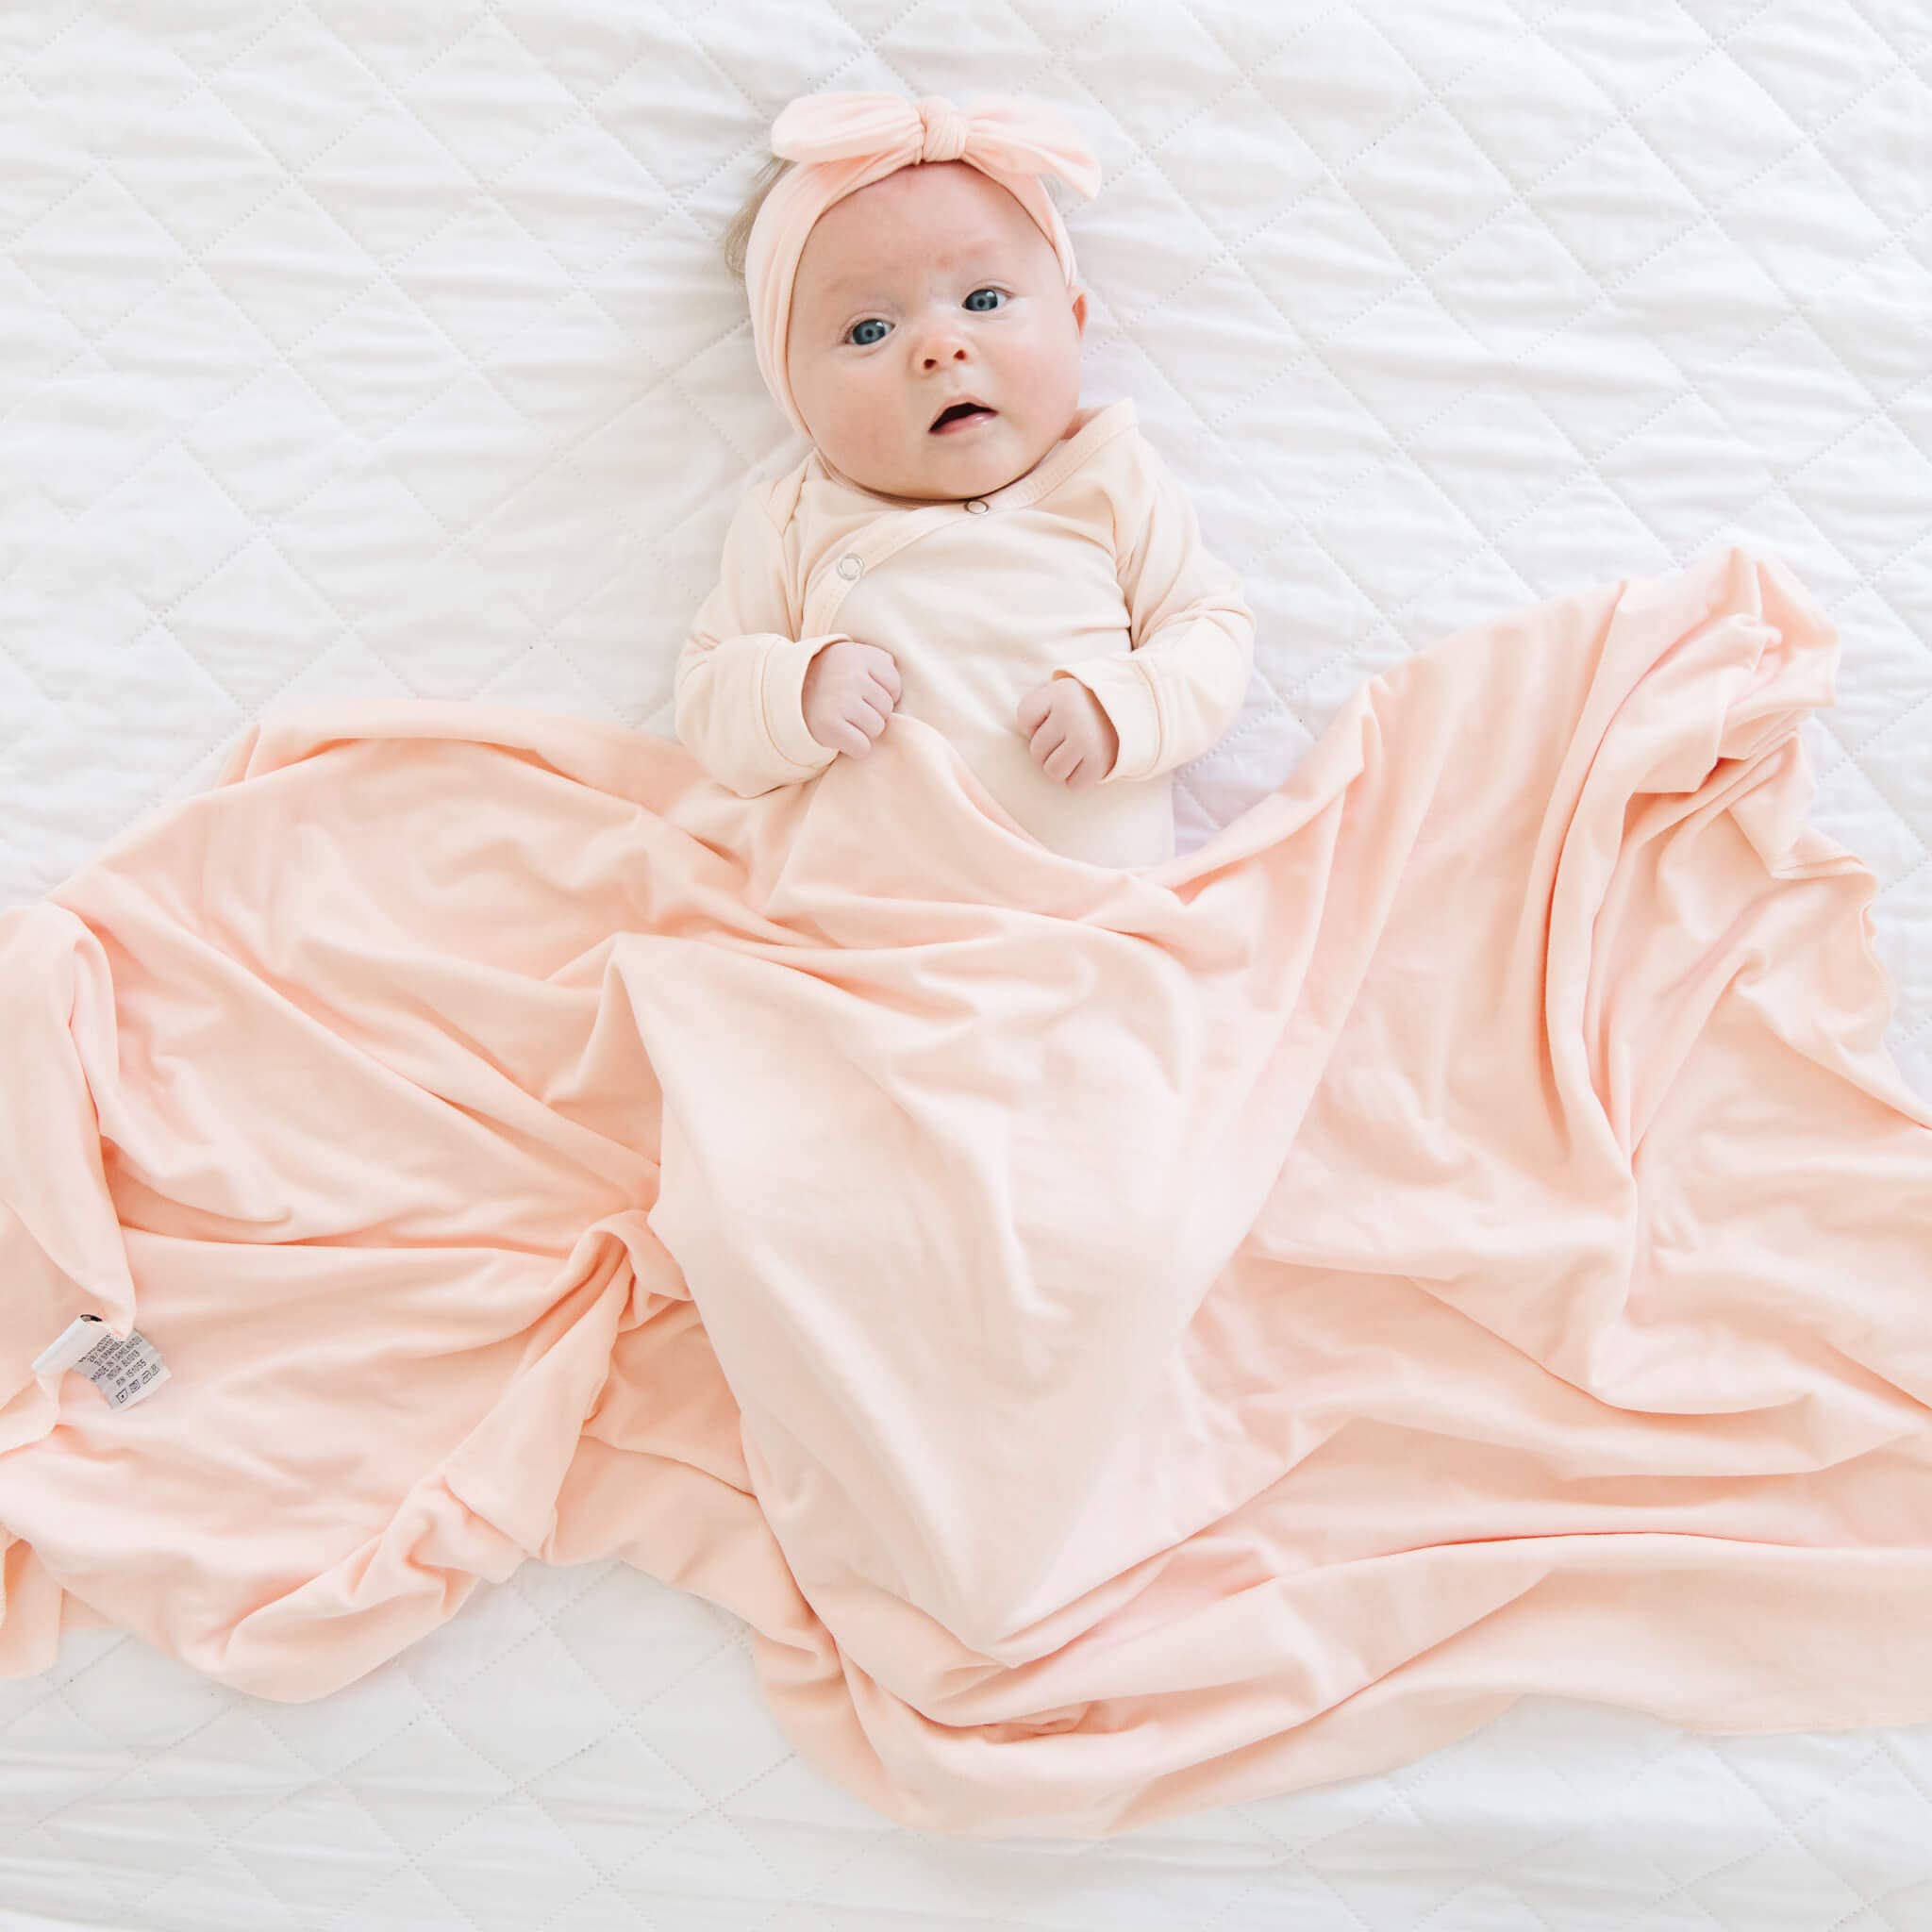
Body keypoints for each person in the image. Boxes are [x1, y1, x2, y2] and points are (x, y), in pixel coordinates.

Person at [677, 90, 1258, 870]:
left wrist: (1125, 706)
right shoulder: (795, 522)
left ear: (1073, 323)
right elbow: (705, 694)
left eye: (983, 300)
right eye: (869, 330)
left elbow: (1211, 628)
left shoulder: (1110, 481)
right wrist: (794, 693)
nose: (940, 347)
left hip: (1095, 917)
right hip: (862, 923)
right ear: (792, 393)